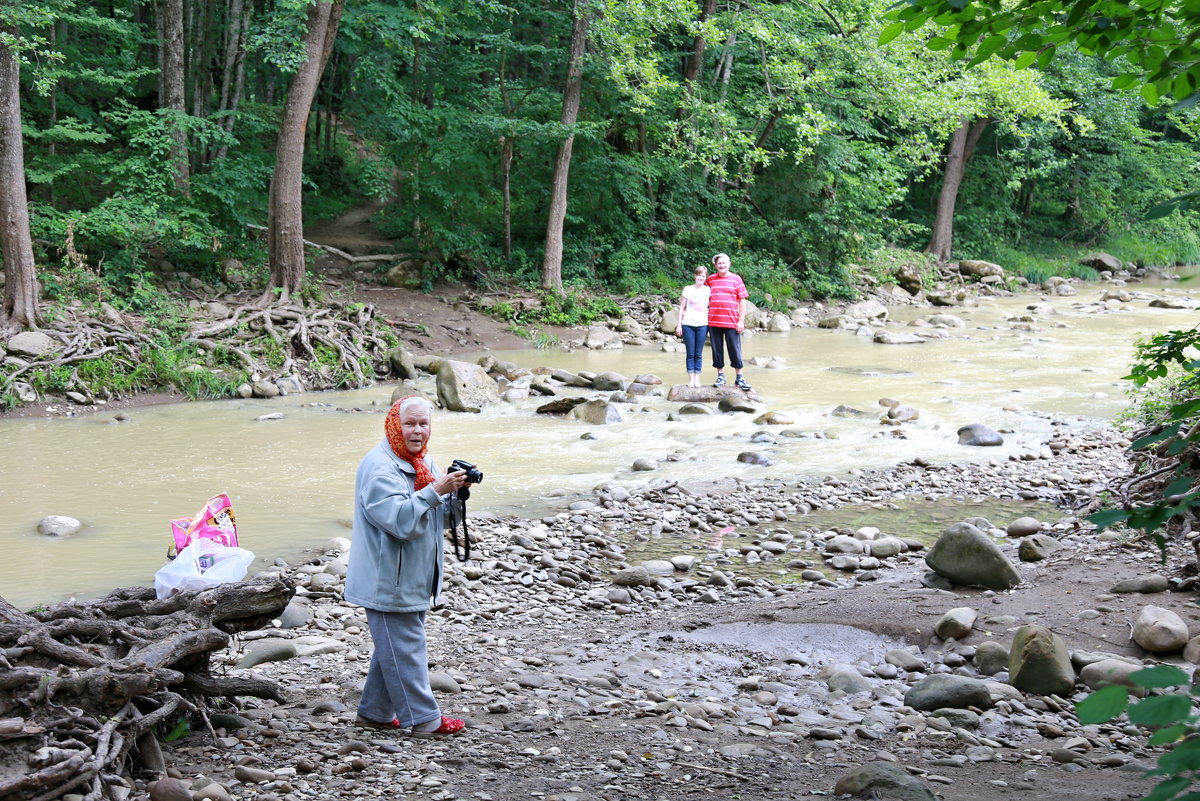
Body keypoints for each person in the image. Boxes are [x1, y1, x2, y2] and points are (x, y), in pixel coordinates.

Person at [344, 394, 472, 737]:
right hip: (387, 580)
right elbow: (399, 521)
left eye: (424, 423)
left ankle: (374, 713)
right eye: (410, 424)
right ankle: (425, 719)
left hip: (411, 576)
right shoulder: (379, 467)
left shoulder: (421, 461)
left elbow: (436, 520)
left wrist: (456, 493)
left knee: (395, 646)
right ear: (394, 426)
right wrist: (435, 489)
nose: (418, 431)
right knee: (407, 647)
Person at [706, 252, 751, 390]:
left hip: (732, 321)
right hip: (714, 321)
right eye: (719, 263)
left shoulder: (736, 279)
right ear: (715, 266)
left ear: (729, 264)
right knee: (717, 350)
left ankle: (739, 378)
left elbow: (742, 301)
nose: (722, 265)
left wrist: (741, 321)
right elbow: (703, 296)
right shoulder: (711, 280)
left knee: (734, 350)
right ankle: (721, 376)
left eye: (724, 263)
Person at [674, 265, 711, 388]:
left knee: (698, 353)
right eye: (699, 275)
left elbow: (712, 306)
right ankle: (690, 379)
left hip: (702, 324)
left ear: (705, 277)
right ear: (695, 276)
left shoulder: (708, 290)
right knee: (690, 353)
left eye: (703, 276)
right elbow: (681, 308)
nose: (701, 277)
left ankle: (697, 379)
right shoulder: (687, 289)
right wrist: (679, 325)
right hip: (688, 324)